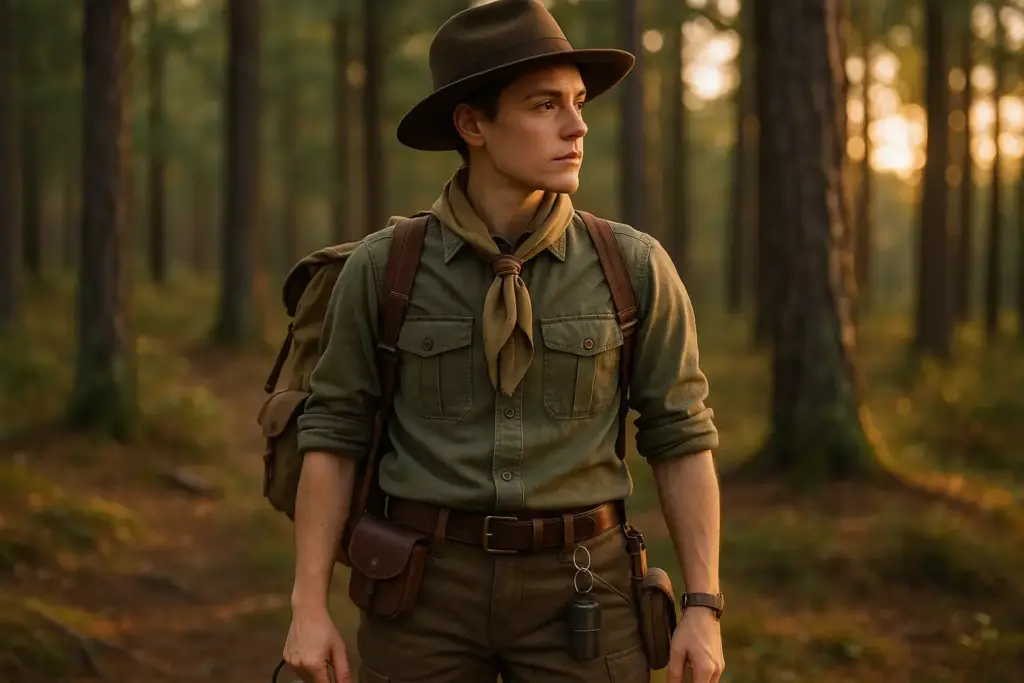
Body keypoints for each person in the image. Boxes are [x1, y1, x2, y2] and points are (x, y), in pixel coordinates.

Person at [282, 1, 724, 682]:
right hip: (421, 593)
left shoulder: (632, 266)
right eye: (545, 105)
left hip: (584, 588)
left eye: (578, 102)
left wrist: (702, 604)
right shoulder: (384, 268)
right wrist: (308, 605)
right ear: (473, 124)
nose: (576, 126)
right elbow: (333, 434)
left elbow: (682, 436)